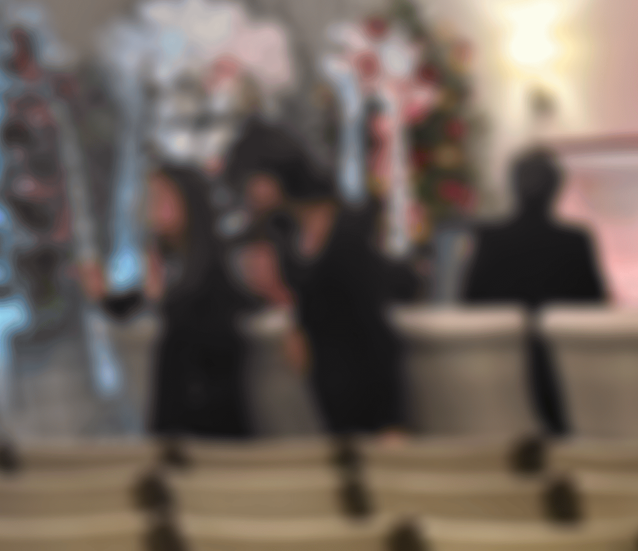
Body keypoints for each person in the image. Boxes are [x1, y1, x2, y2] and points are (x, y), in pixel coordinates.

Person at [224, 121, 407, 438]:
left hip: (365, 388)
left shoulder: (350, 229)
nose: (248, 196)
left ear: (276, 173)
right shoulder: (283, 230)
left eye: (250, 183)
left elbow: (374, 330)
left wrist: (392, 421)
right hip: (320, 389)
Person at [91, 162, 250, 440]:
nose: (149, 210)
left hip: (208, 426)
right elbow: (144, 303)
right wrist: (107, 299)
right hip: (179, 419)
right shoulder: (172, 265)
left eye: (160, 198)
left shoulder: (213, 273)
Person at [461, 145, 609, 433]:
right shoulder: (575, 242)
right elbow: (597, 310)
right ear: (557, 189)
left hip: (496, 381)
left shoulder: (490, 240)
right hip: (565, 382)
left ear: (512, 187)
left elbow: (468, 307)